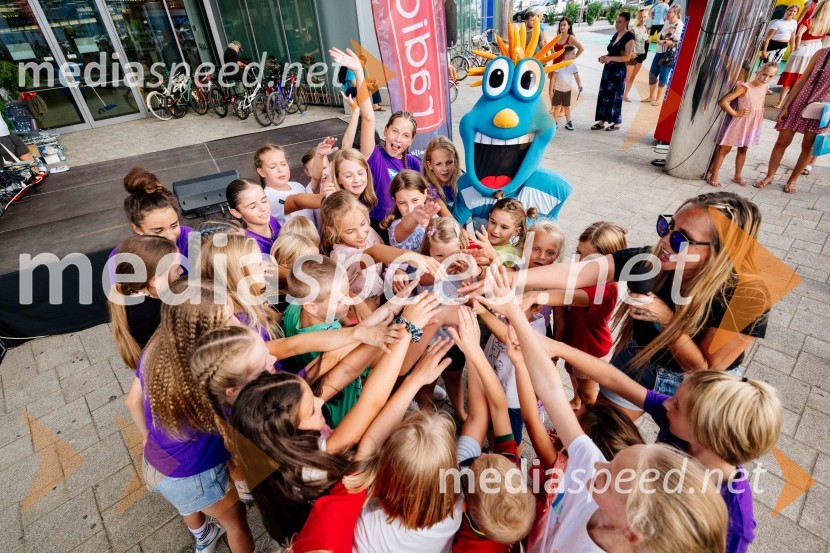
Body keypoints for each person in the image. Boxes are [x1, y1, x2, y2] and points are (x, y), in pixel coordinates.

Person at [480, 266, 729, 553]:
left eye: (609, 474)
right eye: (611, 461)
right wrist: (514, 312)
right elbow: (550, 388)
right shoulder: (595, 472)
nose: (597, 464)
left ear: (631, 532)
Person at [464, 191, 769, 414]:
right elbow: (577, 274)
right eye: (667, 227)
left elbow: (703, 369)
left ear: (720, 250)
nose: (665, 241)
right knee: (604, 434)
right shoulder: (647, 260)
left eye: (681, 239)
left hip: (695, 386)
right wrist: (508, 279)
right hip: (638, 360)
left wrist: (666, 320)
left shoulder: (748, 298)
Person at [229, 292, 439, 543]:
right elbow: (371, 404)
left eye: (312, 397)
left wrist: (393, 327)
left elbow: (344, 371)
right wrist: (406, 330)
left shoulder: (275, 437)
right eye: (311, 409)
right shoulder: (312, 467)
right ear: (290, 435)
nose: (320, 402)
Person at [543, 340, 783, 553]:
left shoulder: (736, 519)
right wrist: (559, 348)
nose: (666, 403)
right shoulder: (680, 426)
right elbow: (613, 379)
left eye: (677, 405)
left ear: (705, 433)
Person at [123, 280, 255, 553]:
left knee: (190, 506)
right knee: (237, 523)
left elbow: (131, 400)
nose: (235, 321)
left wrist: (146, 436)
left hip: (160, 463)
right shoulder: (205, 374)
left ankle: (204, 537)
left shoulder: (156, 348)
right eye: (227, 319)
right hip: (194, 474)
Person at [332, 48, 422, 226]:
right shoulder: (374, 155)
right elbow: (368, 117)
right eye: (395, 131)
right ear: (386, 130)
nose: (398, 139)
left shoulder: (413, 164)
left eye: (405, 135)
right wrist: (359, 73)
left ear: (411, 140)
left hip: (404, 227)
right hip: (373, 228)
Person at [757, 47, 830, 193]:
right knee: (782, 141)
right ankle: (770, 176)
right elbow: (802, 81)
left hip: (824, 108)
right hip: (801, 100)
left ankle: (793, 180)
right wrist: (785, 106)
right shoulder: (822, 53)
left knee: (808, 146)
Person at [108, 235, 182, 370]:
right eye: (177, 268)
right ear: (154, 281)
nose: (181, 271)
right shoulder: (154, 314)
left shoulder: (129, 291)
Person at [707, 63, 779, 188]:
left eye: (770, 76)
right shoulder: (745, 88)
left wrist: (761, 109)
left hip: (752, 124)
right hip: (740, 123)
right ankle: (714, 176)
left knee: (743, 150)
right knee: (724, 150)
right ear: (758, 71)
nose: (766, 79)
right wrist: (735, 113)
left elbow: (759, 101)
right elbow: (723, 101)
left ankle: (737, 176)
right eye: (764, 74)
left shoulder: (765, 87)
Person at [112, 168, 194, 260]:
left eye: (174, 226)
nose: (171, 237)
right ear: (138, 229)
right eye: (158, 231)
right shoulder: (123, 257)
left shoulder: (191, 238)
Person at [774, 0, 829, 108]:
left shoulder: (808, 21)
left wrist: (796, 46)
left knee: (790, 76)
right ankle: (793, 104)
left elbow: (799, 34)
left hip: (802, 50)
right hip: (815, 51)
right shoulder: (826, 26)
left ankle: (780, 102)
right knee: (804, 78)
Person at [592, 13, 635, 131]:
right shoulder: (616, 34)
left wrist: (610, 58)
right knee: (604, 95)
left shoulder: (629, 37)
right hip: (608, 70)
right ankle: (602, 121)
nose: (617, 24)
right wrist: (604, 57)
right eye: (616, 21)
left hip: (618, 72)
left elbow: (627, 57)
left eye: (620, 22)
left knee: (615, 96)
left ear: (626, 22)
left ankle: (616, 122)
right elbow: (612, 52)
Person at [225, 178, 281, 254]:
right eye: (253, 207)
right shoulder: (249, 245)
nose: (263, 208)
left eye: (264, 201)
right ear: (236, 213)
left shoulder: (272, 220)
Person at [644, 4, 684, 107]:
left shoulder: (679, 25)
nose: (667, 14)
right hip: (659, 52)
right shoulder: (666, 22)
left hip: (668, 55)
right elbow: (660, 34)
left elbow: (678, 43)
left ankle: (658, 99)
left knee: (663, 77)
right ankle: (651, 96)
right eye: (667, 12)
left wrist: (665, 42)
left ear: (676, 13)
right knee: (652, 74)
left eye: (669, 12)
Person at [550, 46, 583, 130]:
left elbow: (577, 77)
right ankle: (555, 122)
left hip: (567, 91)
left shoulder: (573, 66)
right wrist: (551, 91)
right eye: (573, 54)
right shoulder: (559, 65)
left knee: (567, 107)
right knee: (557, 107)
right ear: (567, 55)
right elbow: (553, 78)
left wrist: (579, 85)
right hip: (558, 90)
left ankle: (568, 122)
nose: (575, 55)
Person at [422, 136, 461, 208]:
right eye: (438, 164)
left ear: (455, 161)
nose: (445, 168)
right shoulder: (429, 190)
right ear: (429, 165)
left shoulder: (462, 183)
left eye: (449, 162)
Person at [624, 8, 651, 102]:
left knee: (633, 76)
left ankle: (625, 95)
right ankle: (618, 93)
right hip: (633, 56)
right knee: (627, 77)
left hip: (641, 56)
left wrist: (648, 41)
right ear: (638, 17)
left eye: (644, 17)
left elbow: (644, 42)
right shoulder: (633, 30)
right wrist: (631, 53)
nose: (642, 19)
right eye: (641, 17)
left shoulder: (645, 29)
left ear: (647, 17)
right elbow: (627, 43)